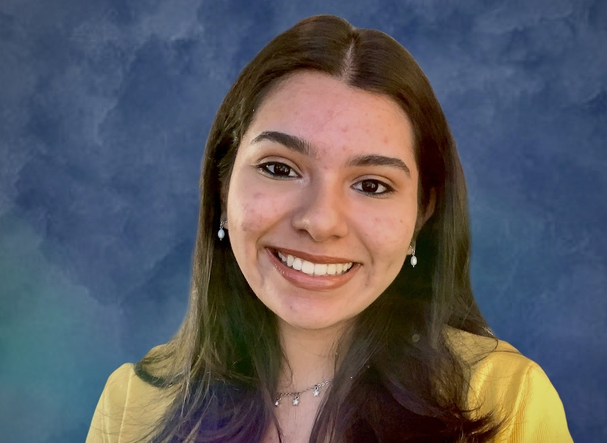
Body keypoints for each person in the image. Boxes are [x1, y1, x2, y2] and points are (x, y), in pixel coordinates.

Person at [86, 14, 572, 443]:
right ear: (222, 184)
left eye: (372, 185)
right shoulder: (133, 403)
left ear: (422, 214)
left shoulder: (507, 403)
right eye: (280, 169)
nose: (320, 222)